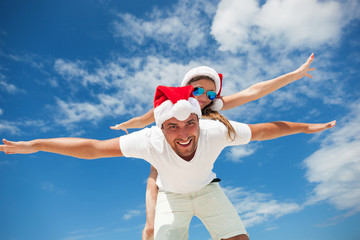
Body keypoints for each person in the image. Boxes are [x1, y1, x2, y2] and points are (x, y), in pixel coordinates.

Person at [1, 85, 336, 240]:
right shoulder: (148, 140)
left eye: (189, 123)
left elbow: (265, 130)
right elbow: (92, 147)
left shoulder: (215, 130)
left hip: (208, 191)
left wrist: (308, 128)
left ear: (198, 119)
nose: (184, 134)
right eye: (172, 127)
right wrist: (37, 144)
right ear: (161, 127)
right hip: (171, 198)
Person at [111, 54, 316, 239]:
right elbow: (144, 122)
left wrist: (294, 75)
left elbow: (253, 92)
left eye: (210, 94)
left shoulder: (212, 111)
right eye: (197, 90)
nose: (202, 98)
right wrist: (127, 124)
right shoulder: (171, 110)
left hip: (205, 186)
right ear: (187, 89)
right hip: (171, 189)